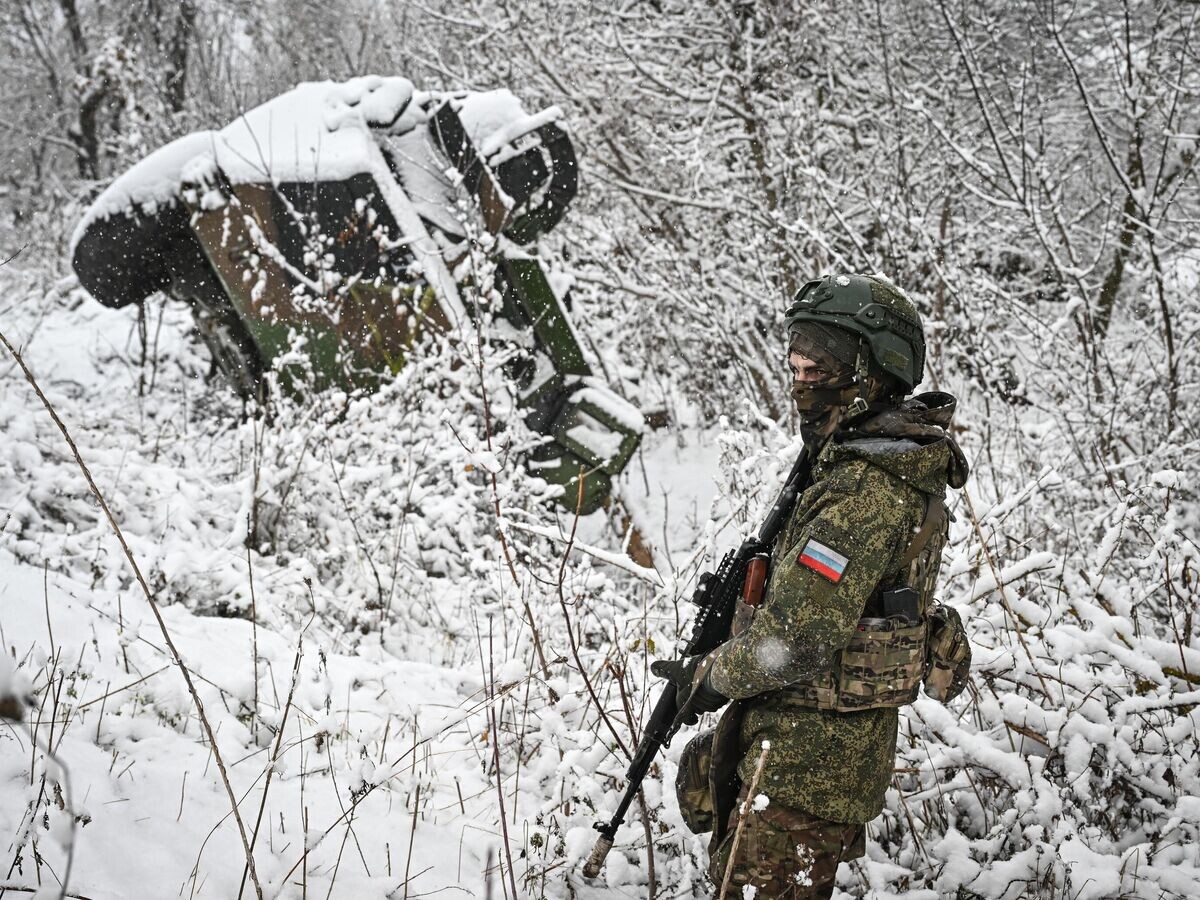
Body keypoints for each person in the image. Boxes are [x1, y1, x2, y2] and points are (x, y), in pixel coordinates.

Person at [653, 273, 971, 898]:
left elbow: (797, 639)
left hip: (805, 771)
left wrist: (709, 677)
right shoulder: (856, 460)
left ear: (874, 369)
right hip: (801, 756)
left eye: (819, 367)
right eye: (796, 366)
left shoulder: (865, 489)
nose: (801, 382)